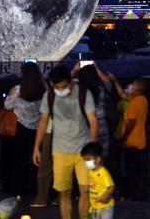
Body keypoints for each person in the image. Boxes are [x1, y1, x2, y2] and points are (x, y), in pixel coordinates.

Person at [33, 65, 98, 219]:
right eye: (56, 87)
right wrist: (36, 147)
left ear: (70, 82)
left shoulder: (83, 93)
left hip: (83, 151)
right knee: (64, 193)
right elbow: (43, 122)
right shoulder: (49, 95)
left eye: (63, 86)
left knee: (85, 191)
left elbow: (93, 121)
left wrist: (92, 149)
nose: (60, 90)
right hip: (60, 152)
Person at [3, 61, 45, 198]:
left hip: (20, 129)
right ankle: (34, 189)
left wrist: (9, 94)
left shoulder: (17, 90)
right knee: (35, 160)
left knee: (19, 161)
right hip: (38, 129)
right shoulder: (43, 90)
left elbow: (7, 106)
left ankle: (19, 191)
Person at [119, 78, 148, 200]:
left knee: (130, 172)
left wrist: (124, 138)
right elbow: (123, 95)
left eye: (133, 86)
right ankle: (139, 195)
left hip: (132, 143)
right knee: (139, 172)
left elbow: (131, 123)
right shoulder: (143, 100)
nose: (131, 87)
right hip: (141, 143)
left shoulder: (134, 103)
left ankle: (132, 196)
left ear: (137, 89)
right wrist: (115, 81)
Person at [77, 64, 112, 157]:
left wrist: (74, 70)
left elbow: (58, 83)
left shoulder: (78, 93)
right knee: (100, 162)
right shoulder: (102, 90)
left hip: (85, 132)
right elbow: (108, 82)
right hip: (102, 130)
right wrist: (97, 69)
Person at [81, 142, 115, 219]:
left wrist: (105, 196)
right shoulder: (91, 171)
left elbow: (111, 187)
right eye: (85, 160)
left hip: (105, 206)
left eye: (88, 159)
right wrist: (87, 187)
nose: (86, 162)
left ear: (98, 159)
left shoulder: (103, 173)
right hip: (94, 205)